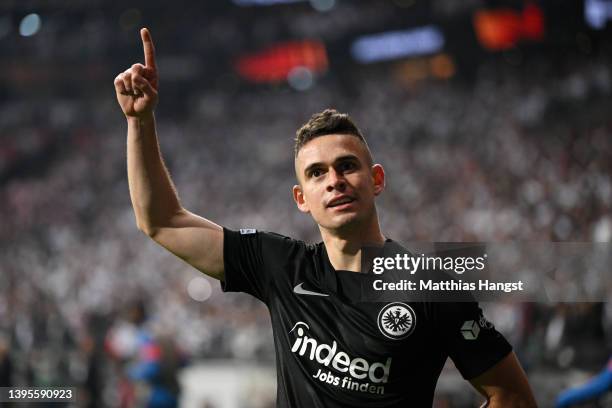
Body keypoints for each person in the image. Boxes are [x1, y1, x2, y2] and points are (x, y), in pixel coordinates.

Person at [113, 27, 538, 407]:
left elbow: (513, 395)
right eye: (317, 173)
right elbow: (162, 221)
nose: (334, 180)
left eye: (347, 166)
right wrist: (140, 122)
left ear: (376, 180)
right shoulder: (279, 265)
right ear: (302, 198)